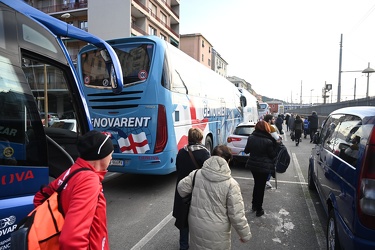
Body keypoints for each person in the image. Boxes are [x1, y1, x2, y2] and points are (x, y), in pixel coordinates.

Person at [33, 130, 114, 250]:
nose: (111, 158)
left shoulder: (74, 170)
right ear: (101, 155)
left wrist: (55, 226)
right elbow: (71, 240)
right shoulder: (89, 180)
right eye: (110, 153)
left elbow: (40, 196)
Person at [177, 145, 252, 250]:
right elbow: (236, 214)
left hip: (196, 224)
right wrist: (245, 235)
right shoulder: (231, 184)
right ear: (228, 161)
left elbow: (181, 189)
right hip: (218, 230)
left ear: (211, 156)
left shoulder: (196, 174)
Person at [172, 128, 210, 250]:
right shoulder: (204, 153)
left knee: (183, 218)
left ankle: (183, 245)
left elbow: (178, 169)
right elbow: (208, 173)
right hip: (198, 190)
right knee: (198, 218)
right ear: (200, 138)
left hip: (182, 190)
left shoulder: (181, 152)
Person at [244, 120, 278, 217]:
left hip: (253, 166)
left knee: (257, 184)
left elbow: (246, 151)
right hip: (264, 167)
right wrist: (277, 144)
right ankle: (259, 209)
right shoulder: (269, 141)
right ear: (266, 128)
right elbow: (272, 155)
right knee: (261, 186)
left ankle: (254, 205)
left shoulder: (251, 137)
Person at [263, 114, 282, 188]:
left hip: (262, 147)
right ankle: (267, 180)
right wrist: (280, 139)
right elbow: (277, 139)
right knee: (271, 165)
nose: (274, 120)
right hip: (270, 148)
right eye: (273, 119)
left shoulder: (261, 126)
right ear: (269, 120)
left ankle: (265, 179)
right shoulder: (271, 127)